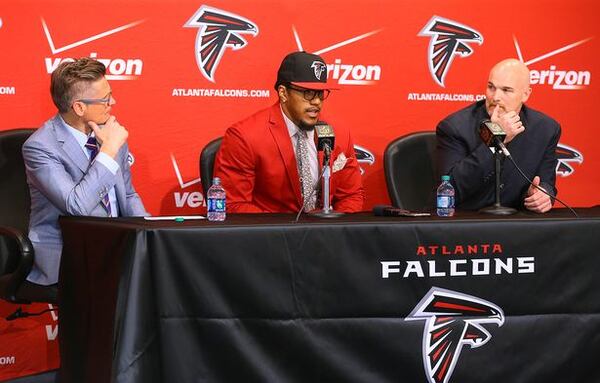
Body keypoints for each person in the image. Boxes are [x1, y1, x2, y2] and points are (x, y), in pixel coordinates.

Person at [22, 57, 148, 289]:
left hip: (115, 247)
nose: (113, 102)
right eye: (105, 99)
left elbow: (128, 195)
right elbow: (76, 206)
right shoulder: (40, 147)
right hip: (69, 253)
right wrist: (108, 151)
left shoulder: (109, 130)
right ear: (79, 107)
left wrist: (150, 234)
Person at [214, 51, 364, 213]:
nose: (316, 101)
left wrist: (335, 230)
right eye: (307, 93)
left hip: (326, 235)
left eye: (320, 93)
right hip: (271, 234)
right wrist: (286, 232)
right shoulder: (245, 137)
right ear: (283, 93)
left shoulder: (338, 131)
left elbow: (351, 195)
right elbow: (233, 204)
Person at [436, 58, 561, 213]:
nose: (495, 97)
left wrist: (543, 194)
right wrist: (496, 137)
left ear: (525, 94)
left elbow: (546, 181)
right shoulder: (455, 127)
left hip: (518, 222)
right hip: (468, 220)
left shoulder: (545, 129)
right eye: (491, 87)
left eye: (506, 90)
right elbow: (452, 189)